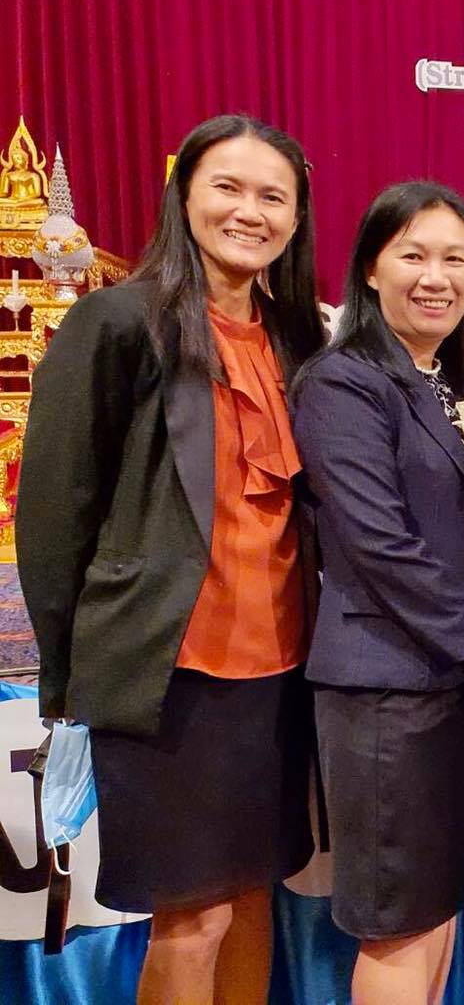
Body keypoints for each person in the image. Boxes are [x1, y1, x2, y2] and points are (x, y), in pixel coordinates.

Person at [17, 114, 325, 1003]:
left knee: (254, 897)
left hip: (281, 672)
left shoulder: (296, 338)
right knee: (193, 920)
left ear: (297, 218)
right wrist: (70, 682)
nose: (250, 212)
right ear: (183, 194)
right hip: (168, 676)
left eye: (273, 197)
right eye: (228, 187)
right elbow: (55, 515)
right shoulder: (118, 321)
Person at [292, 182, 464, 1004]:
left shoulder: (458, 382)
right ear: (371, 268)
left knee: (439, 904)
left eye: (455, 259)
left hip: (456, 682)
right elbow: (378, 541)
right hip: (385, 689)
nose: (436, 277)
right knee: (400, 918)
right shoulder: (343, 382)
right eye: (413, 255)